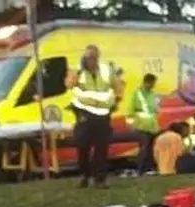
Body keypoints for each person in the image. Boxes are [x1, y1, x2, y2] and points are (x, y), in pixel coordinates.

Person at [66, 45, 123, 188]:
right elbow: (68, 85)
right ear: (84, 57)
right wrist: (78, 72)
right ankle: (85, 175)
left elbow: (118, 88)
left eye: (94, 57)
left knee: (101, 148)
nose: (91, 60)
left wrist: (115, 102)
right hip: (84, 114)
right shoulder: (77, 71)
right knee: (82, 146)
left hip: (102, 115)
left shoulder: (106, 71)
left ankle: (100, 179)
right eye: (89, 57)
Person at [128, 73, 160, 174]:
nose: (153, 85)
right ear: (147, 82)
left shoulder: (152, 94)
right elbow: (131, 109)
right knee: (144, 148)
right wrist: (131, 124)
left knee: (150, 149)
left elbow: (155, 109)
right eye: (152, 83)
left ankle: (149, 169)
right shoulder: (137, 93)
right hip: (141, 126)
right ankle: (141, 170)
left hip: (152, 126)